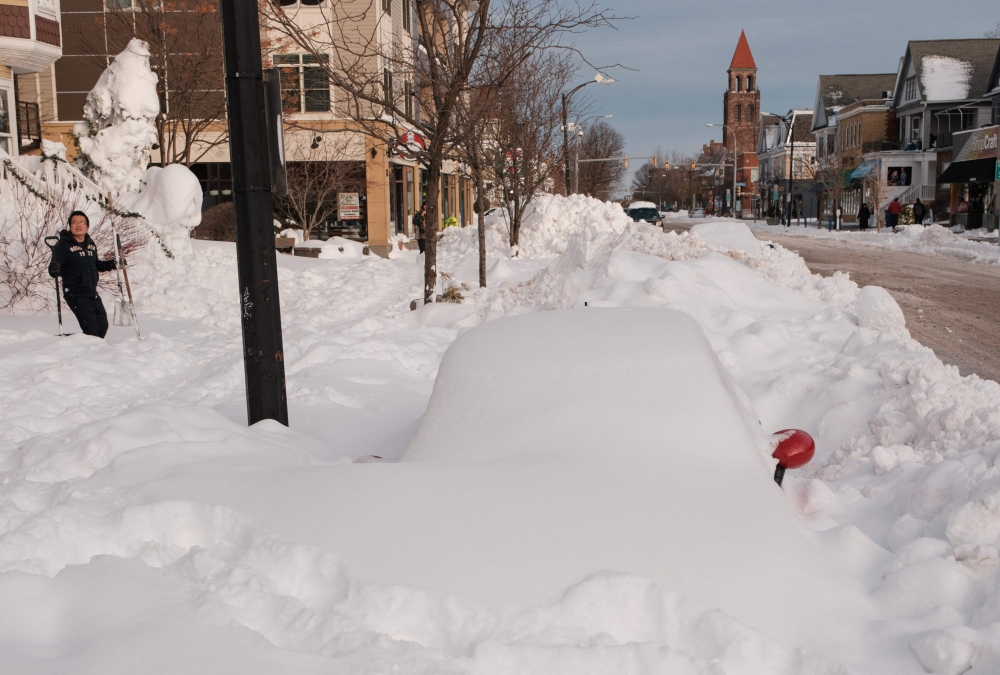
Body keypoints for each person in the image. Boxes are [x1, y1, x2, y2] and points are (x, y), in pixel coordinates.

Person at [47, 211, 121, 338]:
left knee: (102, 326)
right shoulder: (63, 245)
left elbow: (96, 265)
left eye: (82, 222)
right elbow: (53, 270)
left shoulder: (90, 244)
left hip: (91, 292)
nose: (78, 225)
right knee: (91, 329)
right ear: (70, 225)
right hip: (76, 293)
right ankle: (88, 352)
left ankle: (85, 346)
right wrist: (55, 268)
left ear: (87, 226)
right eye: (74, 222)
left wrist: (113, 264)